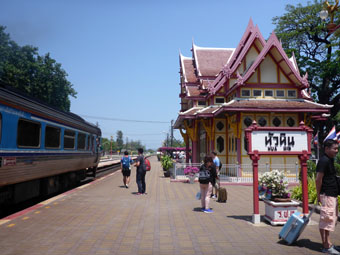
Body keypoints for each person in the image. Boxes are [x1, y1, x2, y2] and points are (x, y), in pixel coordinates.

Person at [315, 139, 339, 254]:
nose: (336, 151)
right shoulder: (323, 161)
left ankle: (328, 243)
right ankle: (326, 245)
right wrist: (318, 194)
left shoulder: (330, 159)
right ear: (326, 149)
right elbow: (318, 179)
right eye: (334, 148)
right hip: (327, 194)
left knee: (330, 219)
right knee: (326, 219)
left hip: (332, 194)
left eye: (337, 148)